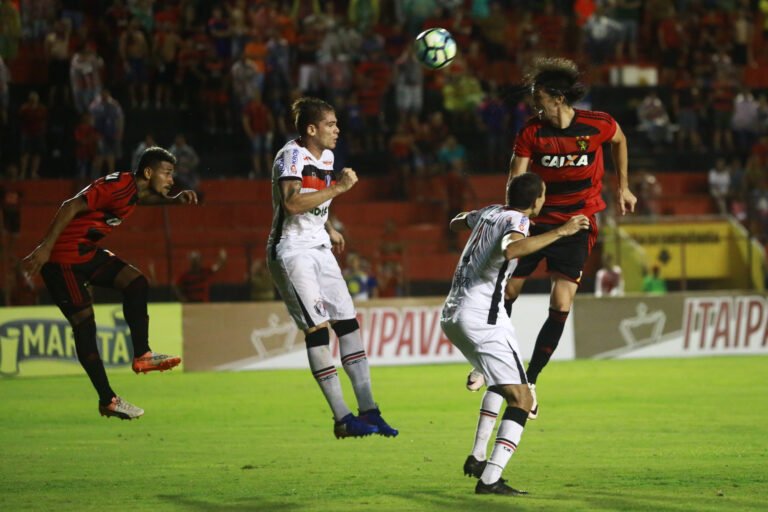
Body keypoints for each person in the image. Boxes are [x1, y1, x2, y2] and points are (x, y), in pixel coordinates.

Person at [441, 173, 590, 496]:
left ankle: (478, 457)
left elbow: (456, 222)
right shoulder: (518, 220)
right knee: (522, 398)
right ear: (537, 200)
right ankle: (491, 479)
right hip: (483, 316)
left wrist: (474, 222)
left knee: (503, 382)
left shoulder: (492, 211)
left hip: (453, 313)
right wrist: (562, 231)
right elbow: (512, 249)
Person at [22, 147, 197, 420]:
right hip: (62, 259)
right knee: (85, 327)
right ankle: (108, 399)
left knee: (136, 282)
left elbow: (142, 199)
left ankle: (142, 355)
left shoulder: (134, 190)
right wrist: (45, 247)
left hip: (85, 252)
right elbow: (70, 205)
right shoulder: (116, 186)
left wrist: (173, 201)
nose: (171, 180)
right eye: (167, 173)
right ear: (148, 172)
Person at [505, 57, 637, 419]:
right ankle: (496, 359)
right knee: (508, 292)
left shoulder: (598, 125)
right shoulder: (532, 132)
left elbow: (620, 140)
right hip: (539, 222)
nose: (534, 103)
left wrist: (623, 186)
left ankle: (529, 380)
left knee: (561, 303)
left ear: (558, 98)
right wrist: (513, 218)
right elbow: (516, 180)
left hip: (577, 224)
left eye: (539, 97)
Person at [267, 97, 397, 439]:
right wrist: (339, 188)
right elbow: (293, 203)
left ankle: (369, 410)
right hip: (292, 251)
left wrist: (328, 227)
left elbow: (315, 200)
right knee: (317, 329)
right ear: (311, 129)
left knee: (348, 323)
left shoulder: (327, 156)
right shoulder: (291, 156)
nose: (337, 130)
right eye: (331, 124)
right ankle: (342, 418)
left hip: (319, 248)